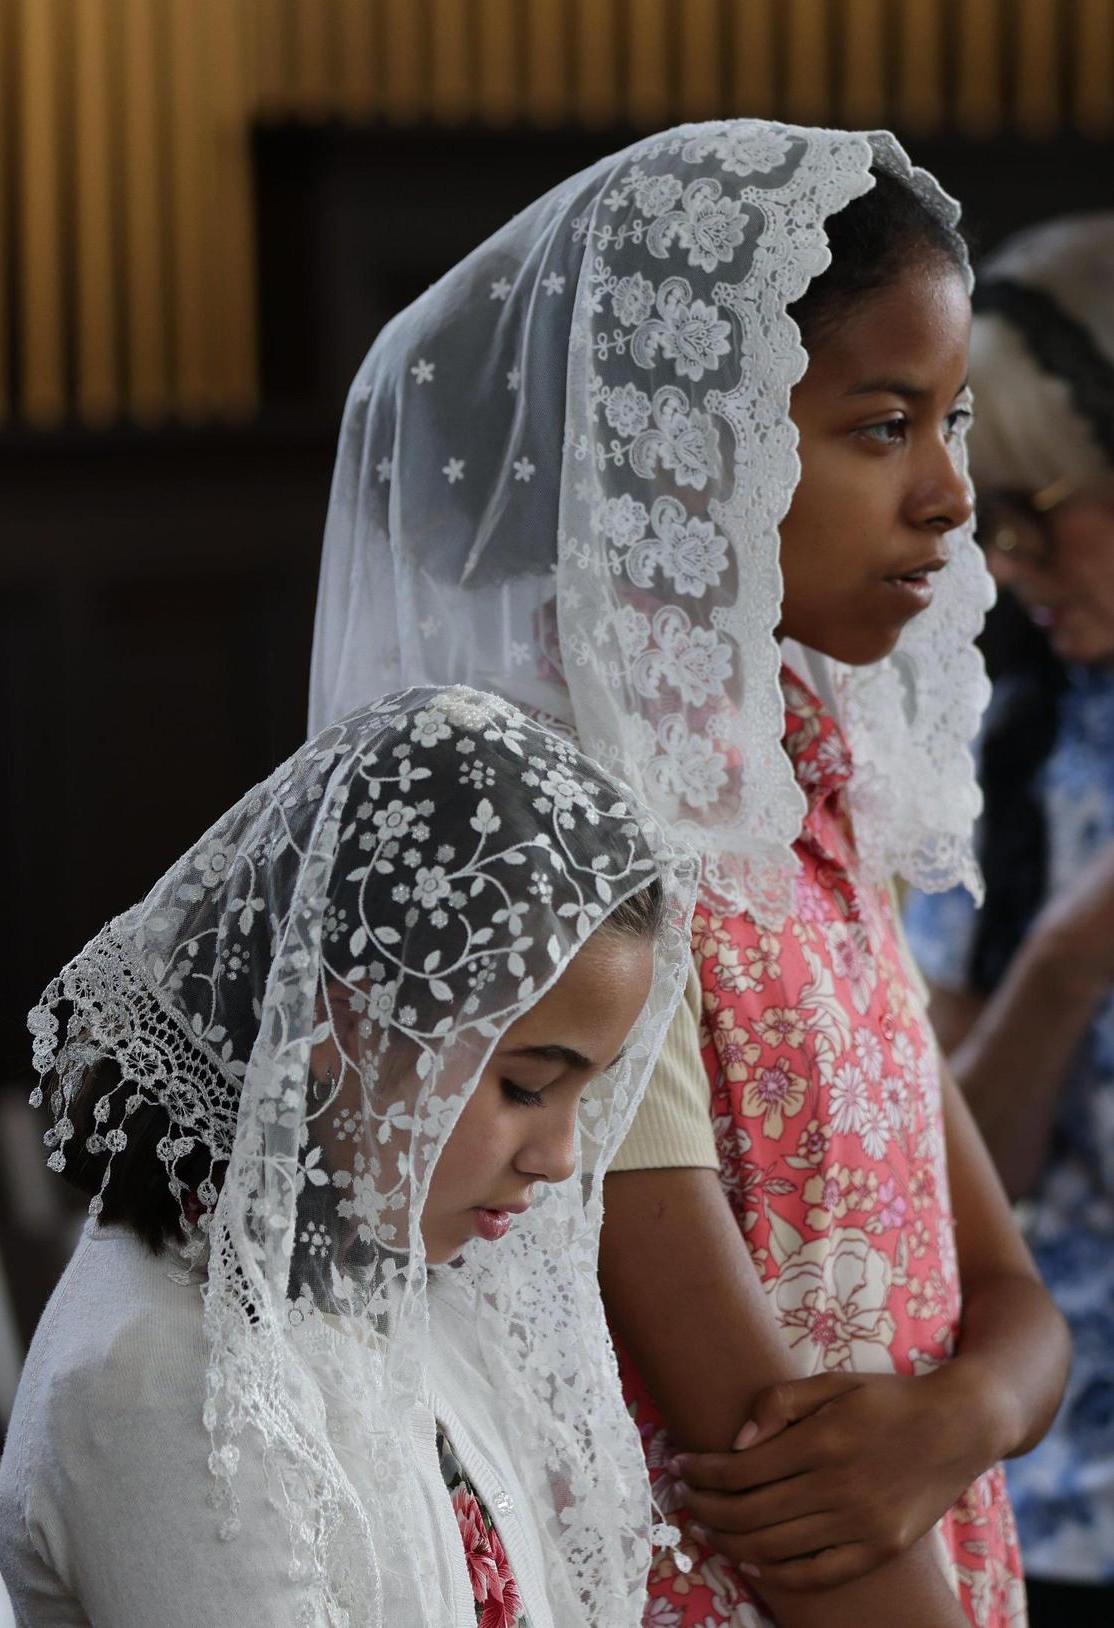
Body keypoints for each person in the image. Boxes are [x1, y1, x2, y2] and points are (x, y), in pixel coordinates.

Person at [308, 121, 1072, 1628]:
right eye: (879, 426)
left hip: (925, 1539)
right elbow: (750, 1440)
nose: (950, 496)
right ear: (695, 441)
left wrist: (965, 1419)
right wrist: (937, 1442)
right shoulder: (579, 821)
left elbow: (1010, 1287)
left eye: (954, 423)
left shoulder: (806, 758)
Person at [0, 685, 698, 1628]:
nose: (563, 1158)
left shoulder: (391, 1287)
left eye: (587, 1092)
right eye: (527, 1086)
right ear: (339, 1021)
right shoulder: (161, 1379)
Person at [904, 214, 1114, 1626]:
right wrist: (1066, 955)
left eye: (1052, 500)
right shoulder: (996, 763)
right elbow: (948, 1176)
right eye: (999, 508)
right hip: (1067, 1496)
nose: (1013, 551)